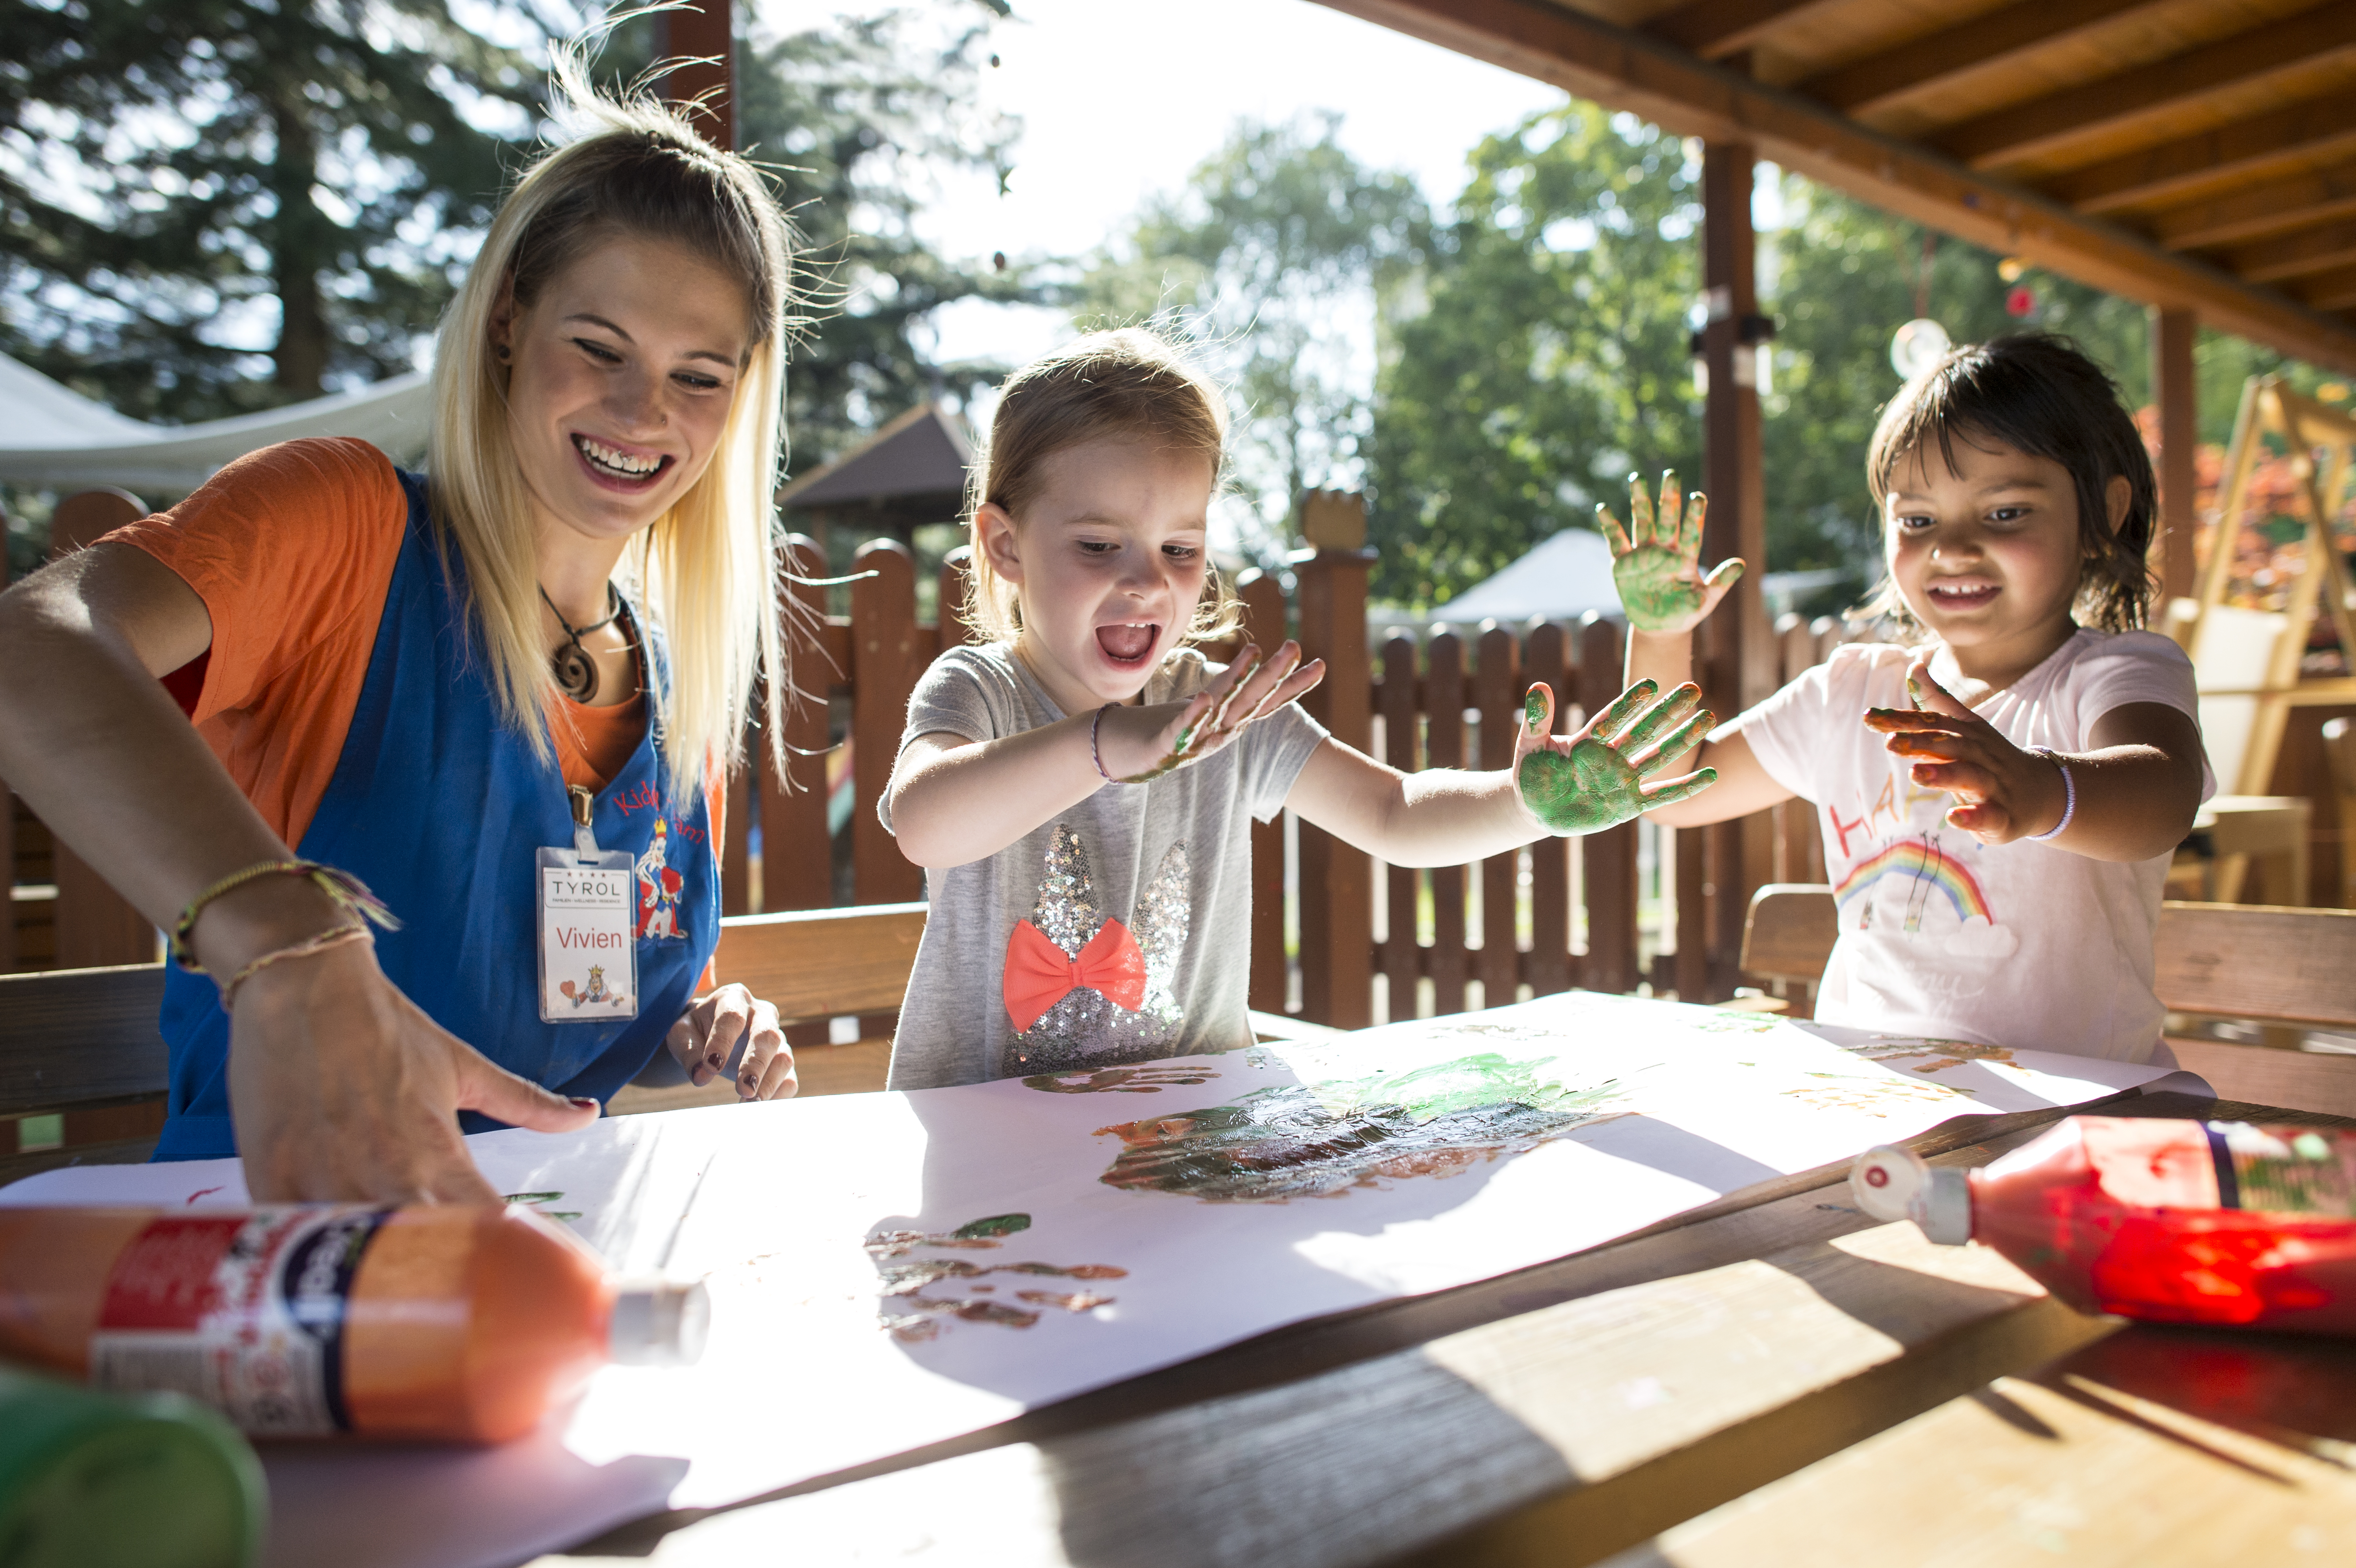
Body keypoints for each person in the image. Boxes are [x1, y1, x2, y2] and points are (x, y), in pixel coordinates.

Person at [0, 64, 805, 1203]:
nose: (642, 413)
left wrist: (693, 1037)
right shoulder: (349, 525)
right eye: (600, 345)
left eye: (698, 375)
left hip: (547, 1257)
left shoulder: (679, 683)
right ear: (509, 323)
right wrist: (285, 939)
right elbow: (27, 647)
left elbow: (573, 1045)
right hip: (281, 1243)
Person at [881, 329, 1718, 1090]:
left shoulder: (1224, 709)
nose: (1145, 582)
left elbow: (1393, 812)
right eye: (1099, 546)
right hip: (984, 1153)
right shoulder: (977, 691)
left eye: (1180, 549)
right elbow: (926, 823)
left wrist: (1525, 803)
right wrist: (1102, 744)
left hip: (1187, 1135)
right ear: (1003, 545)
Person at [1608, 332, 2210, 1061]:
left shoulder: (2118, 672)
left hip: (2077, 1111)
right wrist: (1662, 636)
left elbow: (2163, 798)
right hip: (1876, 1102)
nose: (1952, 548)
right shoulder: (1850, 693)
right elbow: (1671, 791)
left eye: (2006, 512)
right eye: (1918, 521)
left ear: (2102, 515)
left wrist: (2039, 788)